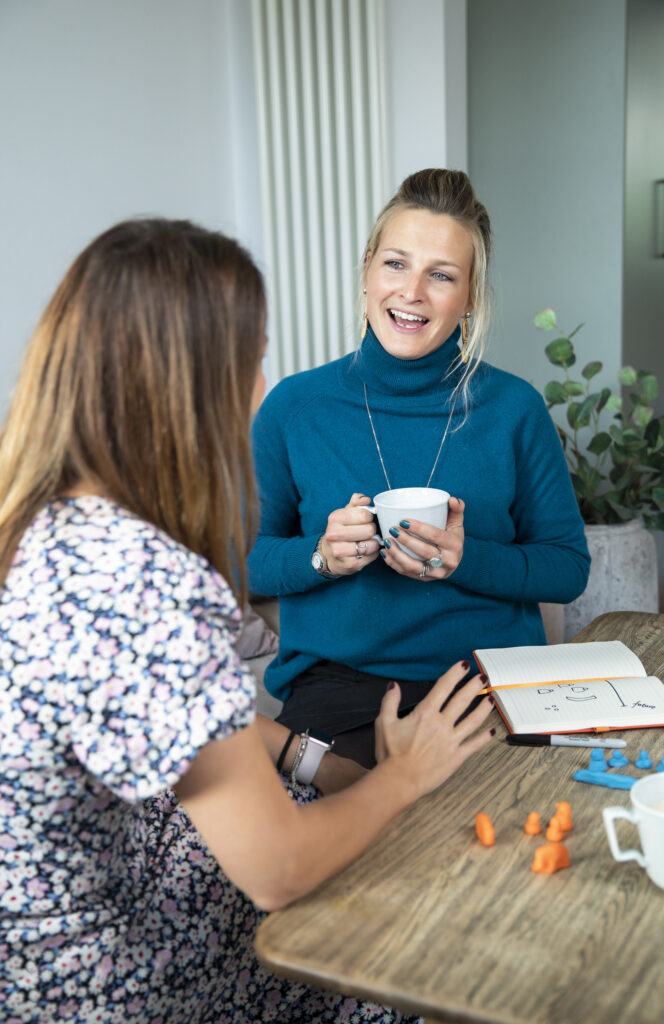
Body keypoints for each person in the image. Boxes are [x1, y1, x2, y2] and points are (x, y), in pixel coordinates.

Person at [0, 217, 495, 1024]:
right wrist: (407, 775)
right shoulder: (140, 578)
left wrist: (312, 761)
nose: (261, 384)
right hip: (96, 975)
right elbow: (274, 872)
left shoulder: (41, 523)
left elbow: (179, 721)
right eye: (254, 356)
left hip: (35, 937)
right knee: (404, 948)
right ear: (193, 379)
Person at [248, 168, 590, 767]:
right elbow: (247, 560)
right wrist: (320, 558)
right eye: (396, 264)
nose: (412, 293)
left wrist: (466, 558)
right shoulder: (295, 407)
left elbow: (566, 568)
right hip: (340, 688)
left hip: (488, 683)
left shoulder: (514, 408)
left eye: (442, 275)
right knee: (338, 848)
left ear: (471, 296)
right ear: (367, 269)